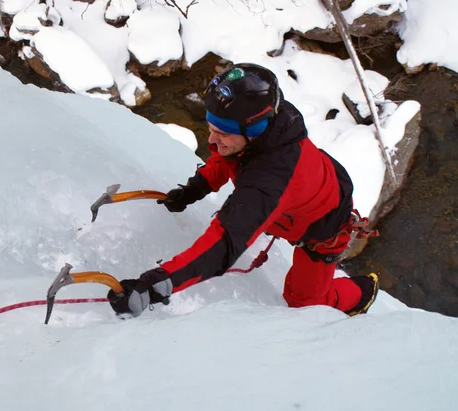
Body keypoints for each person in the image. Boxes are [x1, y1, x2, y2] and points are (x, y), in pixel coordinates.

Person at [108, 63, 378, 318]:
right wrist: (196, 188)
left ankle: (363, 292)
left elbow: (222, 245)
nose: (212, 140)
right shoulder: (264, 126)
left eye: (222, 133)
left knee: (304, 302)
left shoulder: (270, 179)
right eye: (211, 129)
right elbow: (229, 159)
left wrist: (156, 284)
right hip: (300, 201)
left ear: (253, 131)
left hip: (325, 227)